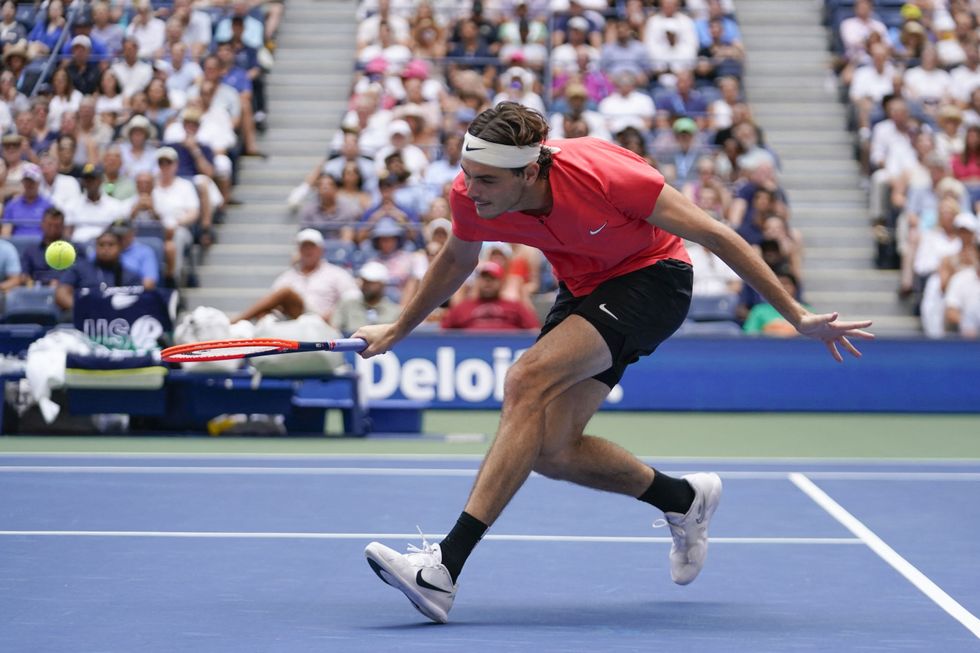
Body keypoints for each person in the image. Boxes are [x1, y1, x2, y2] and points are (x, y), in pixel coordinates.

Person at [355, 103, 874, 624]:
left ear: (530, 172)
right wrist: (399, 329)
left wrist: (798, 315)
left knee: (525, 379)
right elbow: (457, 260)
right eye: (468, 175)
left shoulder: (605, 175)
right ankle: (682, 497)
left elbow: (715, 235)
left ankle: (444, 567)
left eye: (488, 179)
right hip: (583, 288)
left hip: (656, 278)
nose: (472, 189)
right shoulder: (471, 192)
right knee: (551, 449)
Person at [233, 229, 358, 325]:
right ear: (299, 250)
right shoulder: (287, 276)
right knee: (265, 311)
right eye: (304, 247)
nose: (308, 251)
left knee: (286, 292)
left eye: (312, 247)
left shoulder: (337, 274)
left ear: (321, 250)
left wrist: (333, 315)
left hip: (321, 321)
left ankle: (235, 322)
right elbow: (272, 304)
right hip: (291, 323)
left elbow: (352, 298)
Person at [441, 260, 540, 330]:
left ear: (501, 282)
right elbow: (442, 333)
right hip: (470, 353)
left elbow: (534, 330)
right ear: (478, 281)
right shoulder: (462, 307)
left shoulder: (515, 306)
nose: (488, 282)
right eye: (484, 278)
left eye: (493, 278)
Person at [331, 260, 401, 335]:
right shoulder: (347, 304)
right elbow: (334, 330)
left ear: (382, 284)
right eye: (364, 281)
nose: (366, 286)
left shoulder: (394, 311)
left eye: (371, 282)